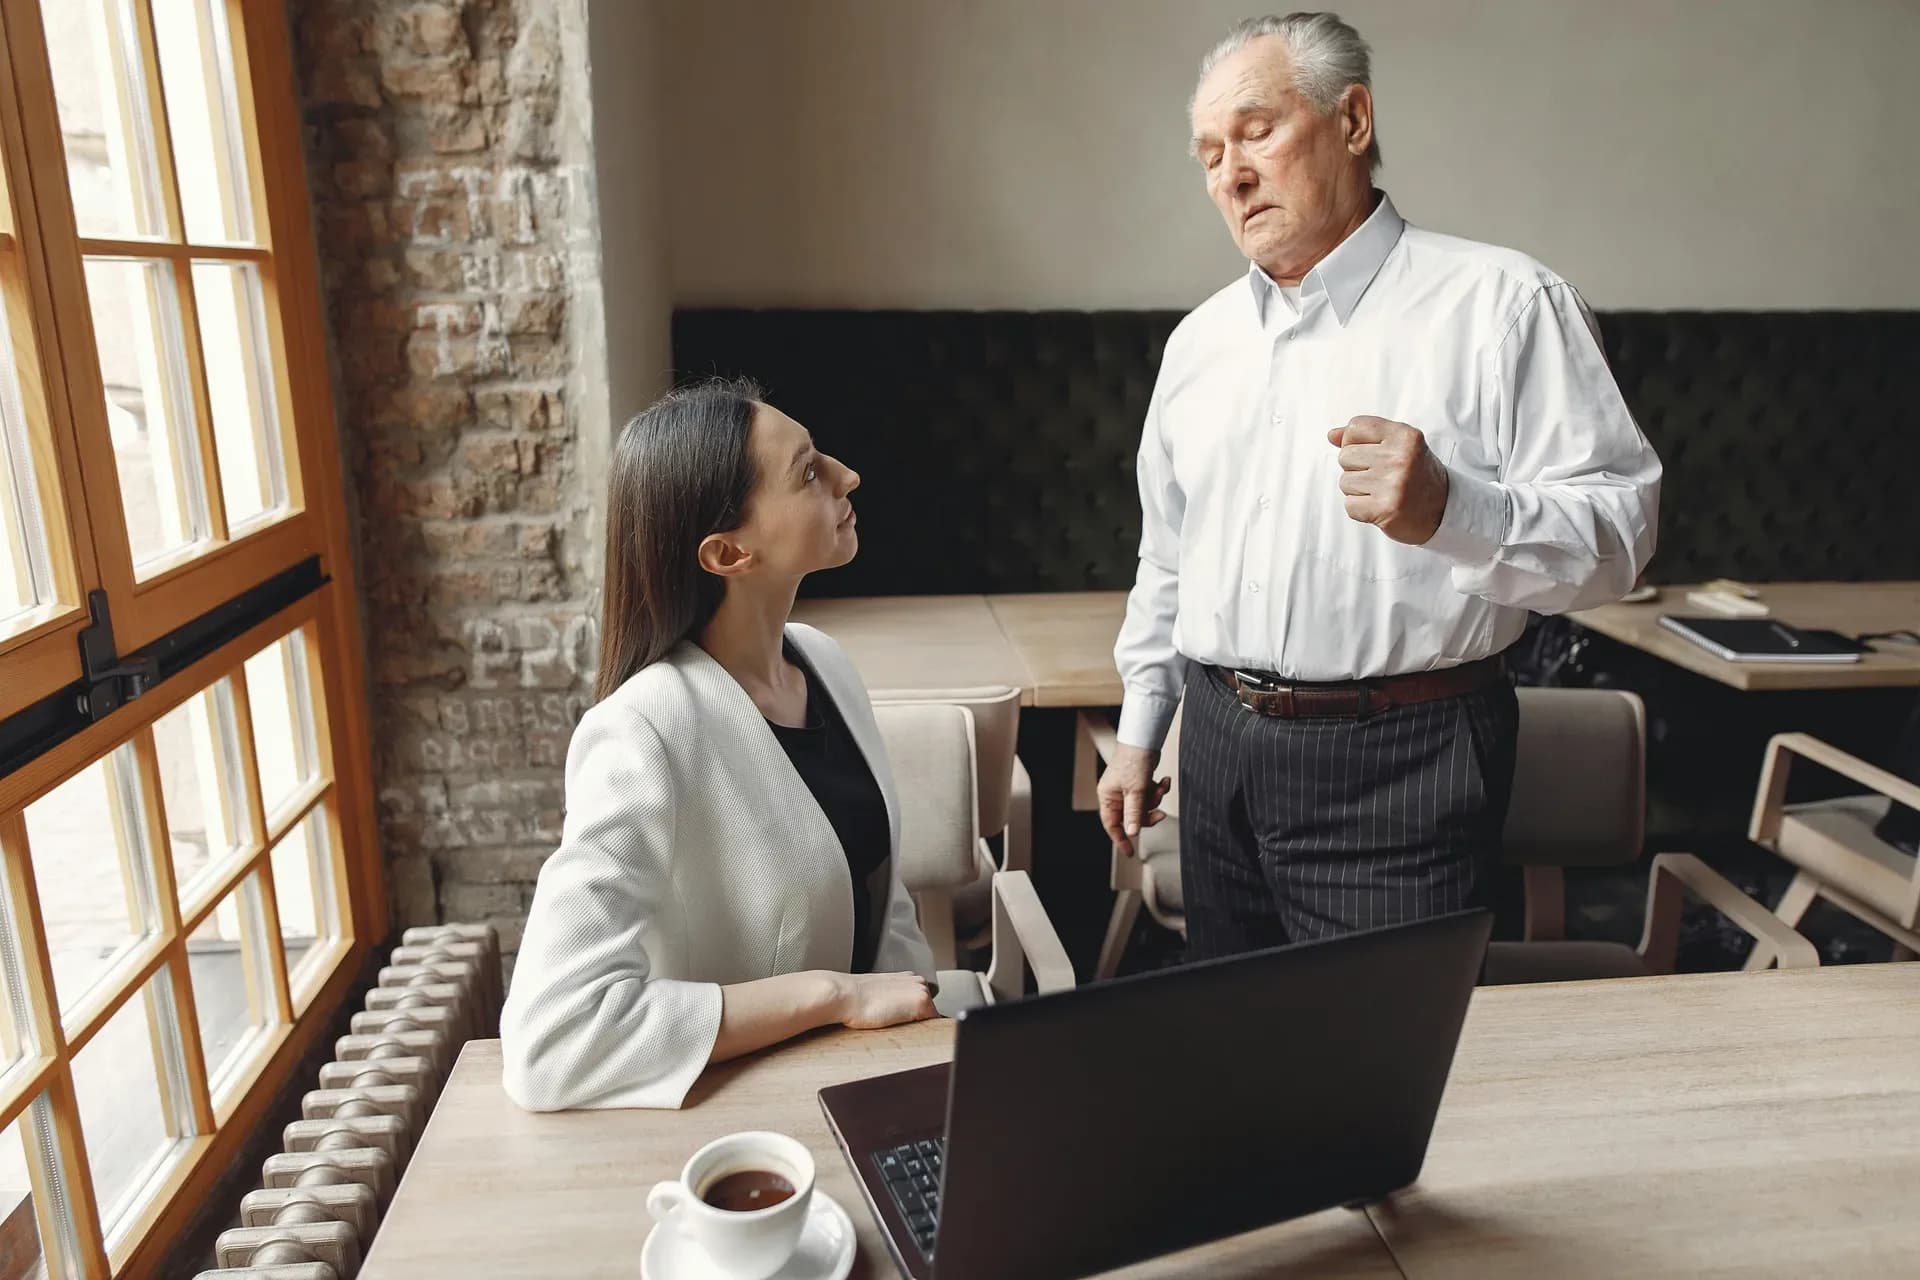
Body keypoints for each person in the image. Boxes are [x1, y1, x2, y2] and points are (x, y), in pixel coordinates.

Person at [1099, 13, 1661, 959]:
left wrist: (1454, 511)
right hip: (1218, 746)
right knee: (1234, 1056)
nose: (1230, 174)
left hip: (1407, 759)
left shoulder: (1506, 307)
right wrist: (1141, 725)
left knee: (1382, 1076)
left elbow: (1622, 537)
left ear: (1352, 120)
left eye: (1256, 131)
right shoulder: (1198, 344)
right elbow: (1170, 557)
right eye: (1207, 155)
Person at [501, 379, 937, 1111]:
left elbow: (882, 903)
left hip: (869, 1084)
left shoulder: (825, 664)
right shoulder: (643, 732)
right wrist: (830, 997)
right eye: (807, 471)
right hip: (749, 1123)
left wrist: (920, 1047)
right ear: (729, 552)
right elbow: (552, 1041)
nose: (847, 475)